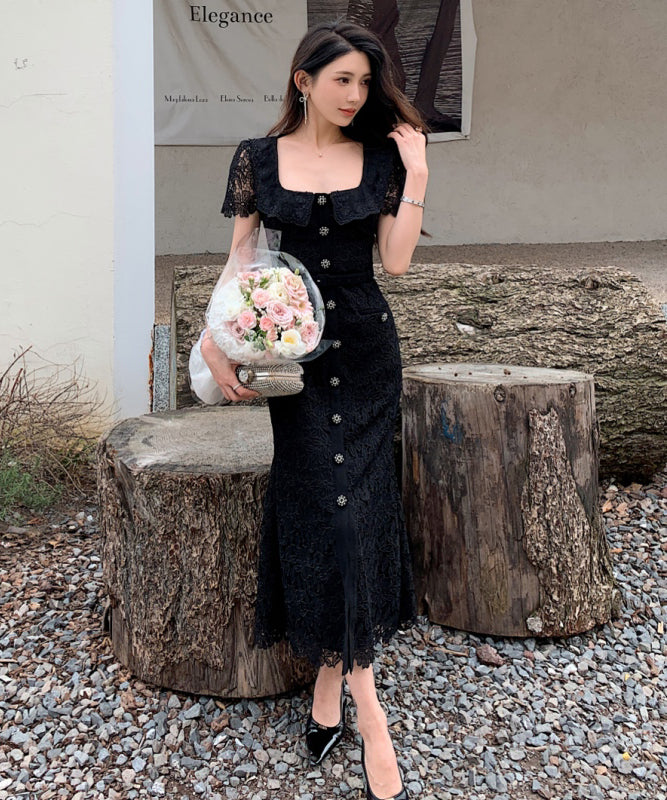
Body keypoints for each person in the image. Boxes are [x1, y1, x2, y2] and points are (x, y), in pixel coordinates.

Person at [201, 20, 428, 800]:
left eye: (365, 82)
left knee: (355, 513)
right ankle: (347, 689)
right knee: (324, 509)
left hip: (364, 355)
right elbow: (242, 258)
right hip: (291, 361)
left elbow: (395, 261)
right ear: (303, 80)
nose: (355, 94)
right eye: (342, 80)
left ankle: (360, 706)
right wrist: (214, 339)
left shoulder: (381, 158)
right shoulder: (257, 158)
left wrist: (416, 172)